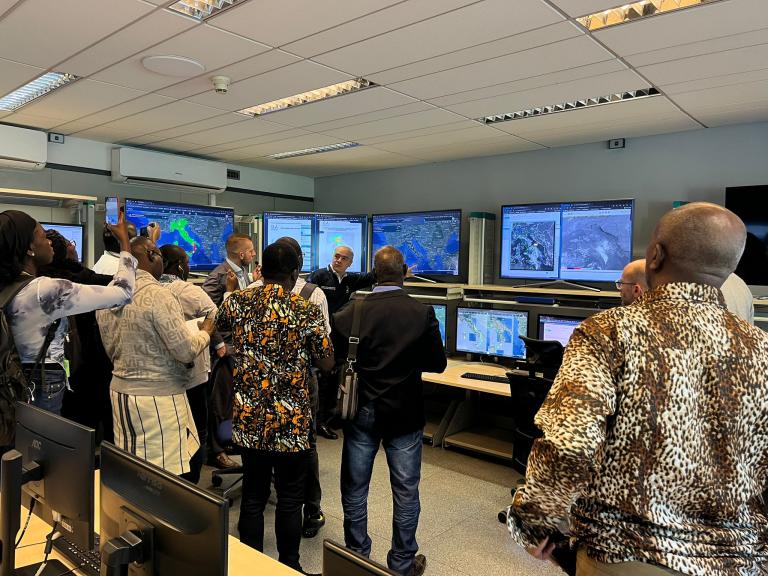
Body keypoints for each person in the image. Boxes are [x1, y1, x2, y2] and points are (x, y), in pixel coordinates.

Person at [506, 203, 768, 575]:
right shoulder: (760, 347)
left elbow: (571, 442)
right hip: (736, 558)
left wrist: (535, 520)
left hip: (628, 551)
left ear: (655, 255)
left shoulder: (608, 331)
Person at [216, 242, 333, 576]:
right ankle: (289, 565)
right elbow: (326, 362)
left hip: (249, 418)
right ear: (295, 272)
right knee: (290, 497)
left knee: (253, 494)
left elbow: (216, 326)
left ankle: (251, 565)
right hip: (290, 420)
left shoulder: (237, 301)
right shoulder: (305, 309)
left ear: (261, 269)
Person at [332, 246, 446, 576]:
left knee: (355, 488)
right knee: (406, 491)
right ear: (405, 271)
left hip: (362, 411)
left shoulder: (351, 311)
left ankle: (356, 557)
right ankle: (401, 564)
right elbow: (437, 364)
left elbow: (337, 359)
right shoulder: (422, 311)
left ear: (374, 273)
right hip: (405, 413)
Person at [96, 236, 215, 475]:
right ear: (151, 255)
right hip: (159, 398)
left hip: (121, 393)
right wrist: (206, 332)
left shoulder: (107, 293)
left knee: (132, 469)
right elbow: (185, 351)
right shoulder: (159, 295)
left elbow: (110, 347)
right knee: (164, 477)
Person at [0, 211, 137, 415]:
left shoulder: (7, 285)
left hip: (10, 378)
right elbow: (122, 292)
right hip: (42, 381)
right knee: (41, 443)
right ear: (30, 248)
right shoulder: (47, 290)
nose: (51, 243)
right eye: (44, 236)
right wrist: (125, 245)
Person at [39, 229, 115, 441]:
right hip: (87, 360)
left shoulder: (36, 277)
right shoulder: (79, 278)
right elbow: (121, 285)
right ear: (64, 251)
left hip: (47, 361)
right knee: (88, 414)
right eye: (68, 242)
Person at [159, 244, 217, 483]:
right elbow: (215, 314)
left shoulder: (149, 289)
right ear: (181, 265)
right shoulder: (186, 289)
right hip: (191, 375)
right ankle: (190, 483)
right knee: (196, 430)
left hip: (161, 375)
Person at [202, 232, 259, 468]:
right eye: (252, 251)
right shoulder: (218, 277)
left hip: (240, 345)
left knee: (236, 402)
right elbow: (206, 313)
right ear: (241, 254)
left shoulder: (242, 272)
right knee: (221, 402)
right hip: (226, 347)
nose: (254, 254)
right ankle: (215, 451)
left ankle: (230, 441)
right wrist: (218, 343)